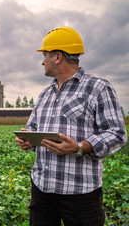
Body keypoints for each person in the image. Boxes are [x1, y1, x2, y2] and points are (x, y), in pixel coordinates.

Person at [15, 27, 127, 226]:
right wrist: (27, 138)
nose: (42, 61)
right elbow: (32, 127)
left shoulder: (98, 88)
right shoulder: (45, 93)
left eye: (45, 55)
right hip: (42, 188)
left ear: (58, 57)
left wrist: (79, 147)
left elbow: (117, 133)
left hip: (80, 193)